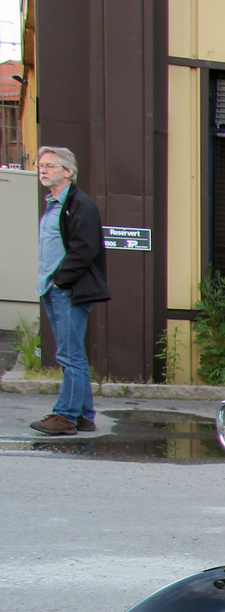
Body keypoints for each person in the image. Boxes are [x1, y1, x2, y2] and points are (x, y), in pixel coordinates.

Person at [30, 146, 109, 437]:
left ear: (69, 171)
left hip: (68, 291)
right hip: (53, 289)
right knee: (73, 353)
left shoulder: (79, 204)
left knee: (69, 355)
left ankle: (65, 415)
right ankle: (84, 415)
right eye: (41, 166)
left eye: (50, 165)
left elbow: (85, 248)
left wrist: (61, 282)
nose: (43, 170)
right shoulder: (54, 204)